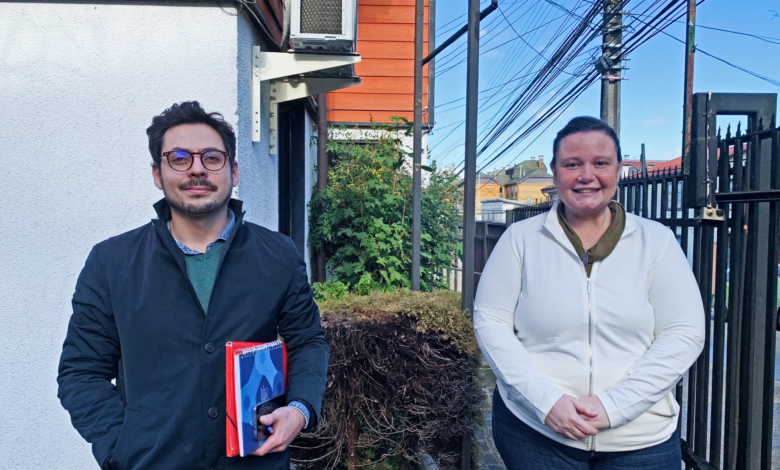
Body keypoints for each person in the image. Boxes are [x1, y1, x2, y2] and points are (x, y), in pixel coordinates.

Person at [57, 101, 329, 470]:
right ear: (158, 174)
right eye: (180, 158)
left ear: (234, 171)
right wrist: (120, 448)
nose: (197, 169)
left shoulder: (278, 254)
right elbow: (81, 371)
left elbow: (307, 342)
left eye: (212, 158)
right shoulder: (111, 262)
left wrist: (299, 410)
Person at [473, 116, 705, 469]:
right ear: (555, 172)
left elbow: (684, 332)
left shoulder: (657, 241)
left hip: (640, 441)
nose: (586, 175)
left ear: (618, 170)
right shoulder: (519, 240)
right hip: (537, 434)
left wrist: (615, 407)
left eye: (600, 163)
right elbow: (491, 322)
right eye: (572, 164)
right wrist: (547, 402)